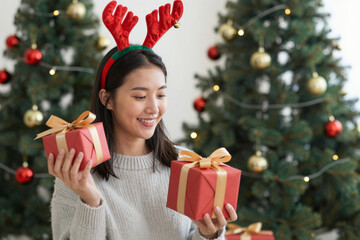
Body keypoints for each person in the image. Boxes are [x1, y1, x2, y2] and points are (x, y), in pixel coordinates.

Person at [47, 1, 237, 239]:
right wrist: (90, 199)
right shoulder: (75, 172)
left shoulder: (185, 165)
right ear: (107, 99)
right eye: (140, 96)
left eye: (161, 95)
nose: (154, 108)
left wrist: (209, 235)